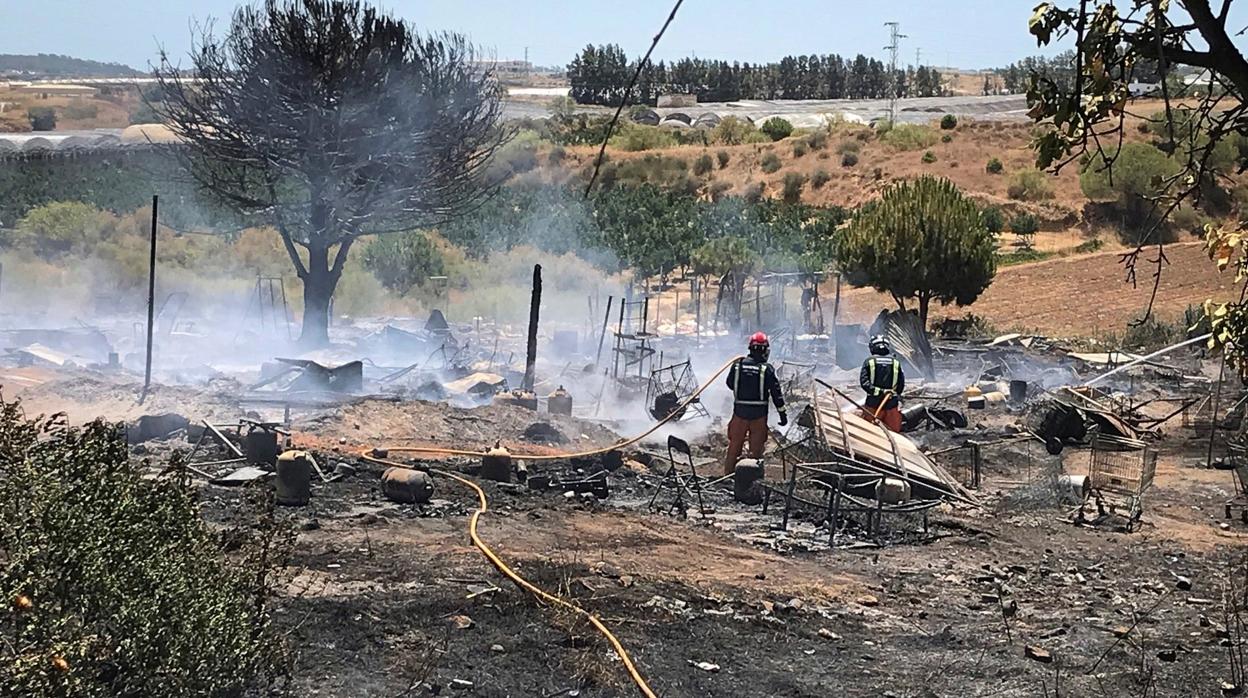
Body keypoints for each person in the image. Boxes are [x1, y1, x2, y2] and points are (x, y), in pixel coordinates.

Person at [723, 332, 787, 475]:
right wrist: (782, 414)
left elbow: (729, 384)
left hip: (739, 414)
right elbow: (777, 394)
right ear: (765, 350)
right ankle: (753, 480)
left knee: (734, 446)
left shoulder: (737, 365)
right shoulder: (767, 369)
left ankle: (728, 476)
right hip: (758, 416)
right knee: (756, 451)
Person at [859, 334, 905, 432]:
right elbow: (901, 384)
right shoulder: (895, 362)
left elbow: (864, 383)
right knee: (893, 433)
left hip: (873, 405)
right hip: (891, 405)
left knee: (870, 433)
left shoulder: (869, 361)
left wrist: (879, 392)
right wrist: (893, 394)